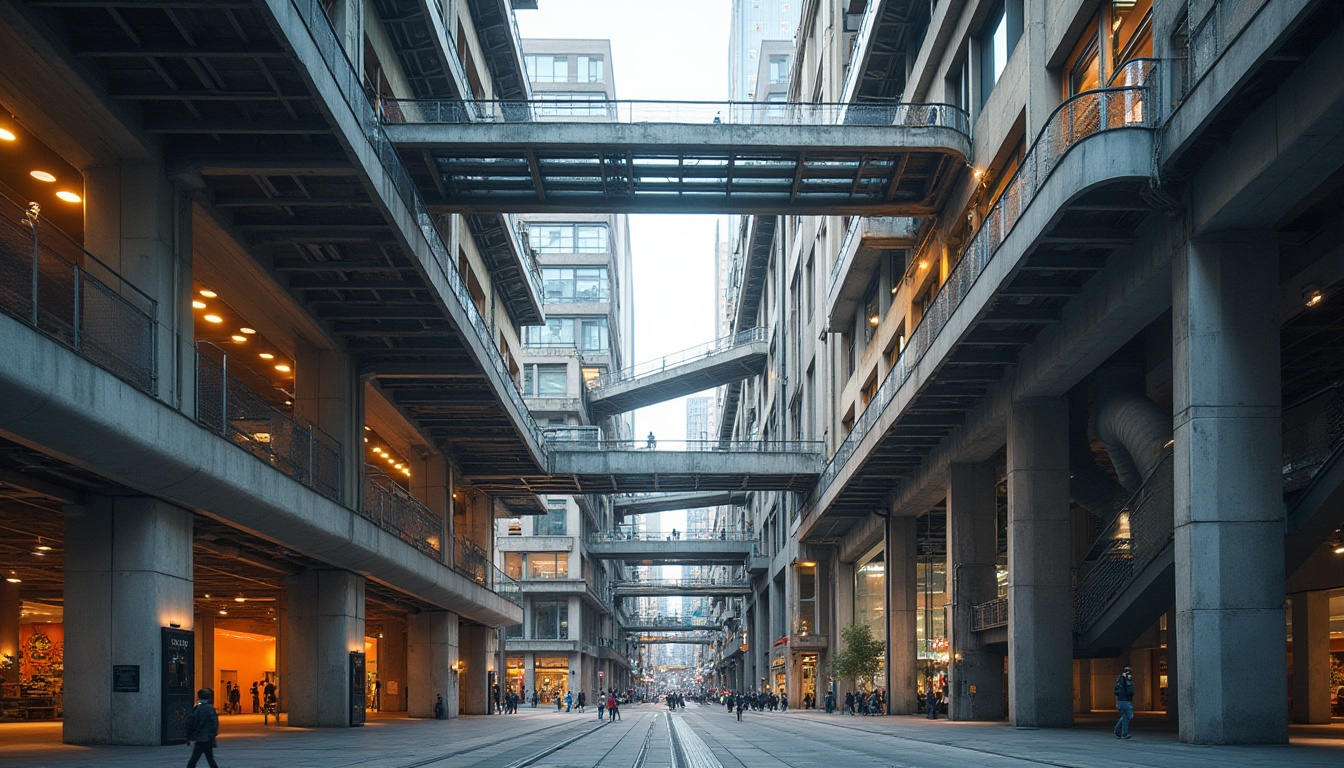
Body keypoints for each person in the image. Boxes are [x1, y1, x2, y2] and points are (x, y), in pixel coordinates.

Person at [182, 687, 220, 768]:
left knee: (194, 759)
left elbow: (192, 723)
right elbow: (215, 724)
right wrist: (213, 735)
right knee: (210, 759)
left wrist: (189, 736)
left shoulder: (198, 709)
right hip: (209, 738)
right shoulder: (212, 709)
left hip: (201, 738)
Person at [1114, 665, 1135, 739]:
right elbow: (1130, 690)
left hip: (1120, 700)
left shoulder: (1119, 678)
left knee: (1125, 716)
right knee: (1128, 716)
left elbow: (1116, 690)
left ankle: (1118, 731)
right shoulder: (1127, 678)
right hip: (1126, 700)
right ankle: (1123, 733)